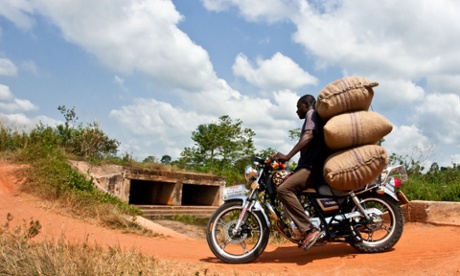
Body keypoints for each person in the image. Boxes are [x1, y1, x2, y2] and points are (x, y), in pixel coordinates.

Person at [274, 94, 328, 250]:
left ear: (306, 104)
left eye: (298, 107)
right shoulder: (312, 117)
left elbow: (308, 136)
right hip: (309, 166)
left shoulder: (311, 115)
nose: (297, 111)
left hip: (312, 168)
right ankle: (301, 229)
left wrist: (287, 156)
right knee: (285, 186)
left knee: (284, 189)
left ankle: (310, 229)